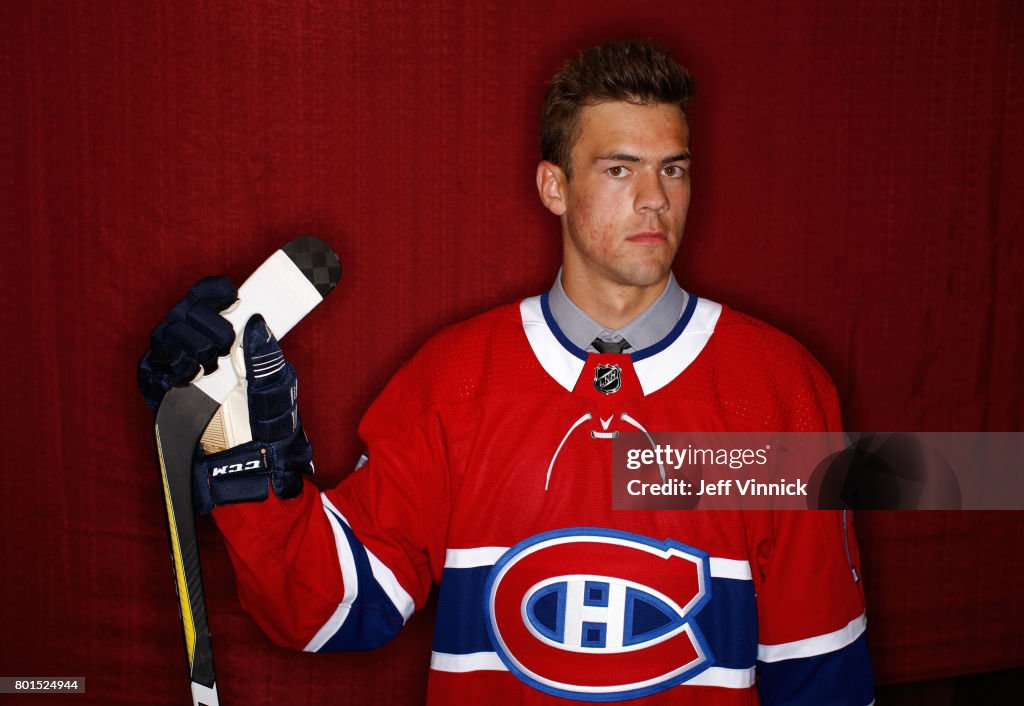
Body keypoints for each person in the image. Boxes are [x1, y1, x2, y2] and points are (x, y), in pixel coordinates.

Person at [139, 40, 874, 705]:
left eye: (672, 168)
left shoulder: (780, 389)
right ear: (553, 187)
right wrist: (242, 460)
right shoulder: (452, 381)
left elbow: (819, 671)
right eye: (619, 169)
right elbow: (327, 610)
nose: (655, 198)